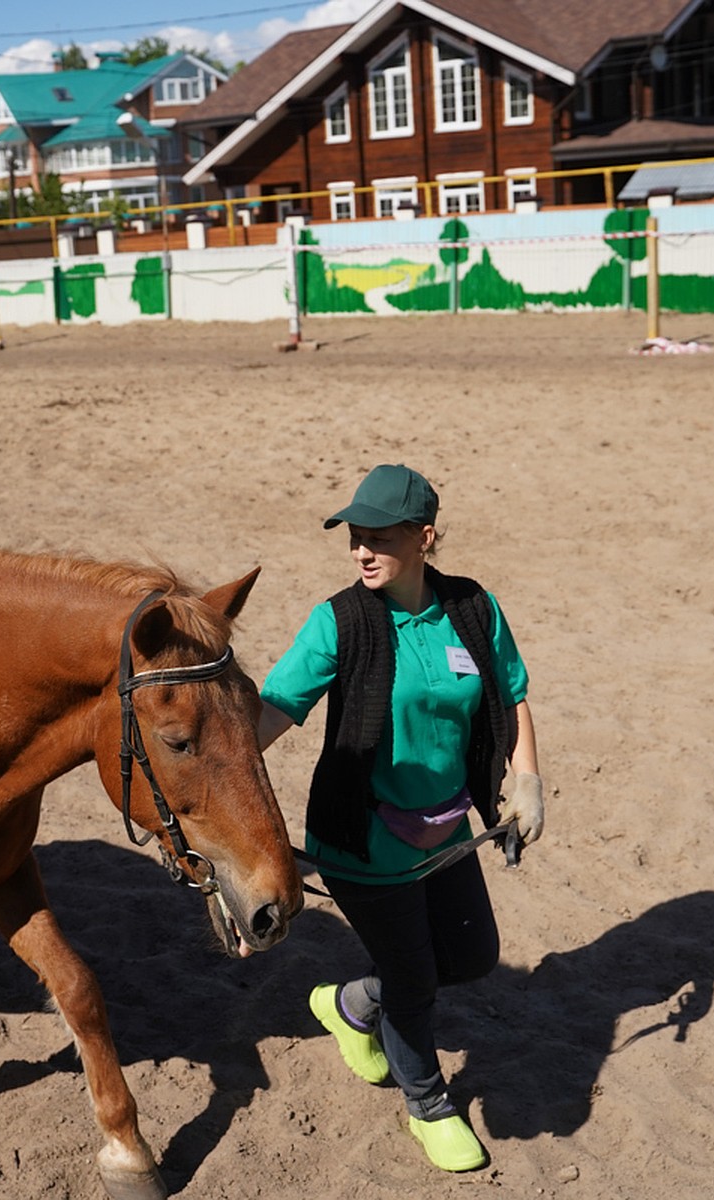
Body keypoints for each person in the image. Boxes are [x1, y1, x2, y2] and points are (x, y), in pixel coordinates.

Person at [258, 463, 543, 1173]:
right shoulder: (340, 621)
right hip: (362, 840)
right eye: (355, 538)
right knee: (414, 981)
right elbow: (271, 713)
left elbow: (512, 694)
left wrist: (527, 776)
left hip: (449, 833)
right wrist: (211, 781)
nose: (362, 552)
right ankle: (428, 1104)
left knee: (472, 959)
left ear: (425, 537)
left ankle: (350, 1005)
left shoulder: (474, 609)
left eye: (378, 538)